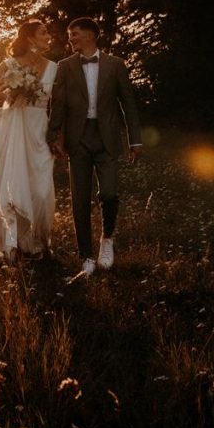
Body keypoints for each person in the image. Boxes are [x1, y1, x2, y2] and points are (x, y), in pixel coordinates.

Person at [47, 17, 141, 276]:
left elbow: (128, 104)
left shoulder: (116, 65)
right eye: (70, 34)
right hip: (78, 140)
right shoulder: (64, 67)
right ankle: (86, 257)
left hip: (108, 139)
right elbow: (58, 104)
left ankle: (107, 239)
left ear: (90, 35)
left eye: (74, 34)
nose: (71, 38)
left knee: (109, 193)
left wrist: (135, 139)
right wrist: (54, 136)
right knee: (79, 199)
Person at [0, 20, 57, 261]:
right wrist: (7, 93)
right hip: (11, 128)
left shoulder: (55, 68)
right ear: (30, 37)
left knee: (41, 189)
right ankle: (12, 244)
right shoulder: (8, 65)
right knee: (12, 183)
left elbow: (60, 105)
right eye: (43, 32)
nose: (48, 35)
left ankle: (39, 241)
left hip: (39, 131)